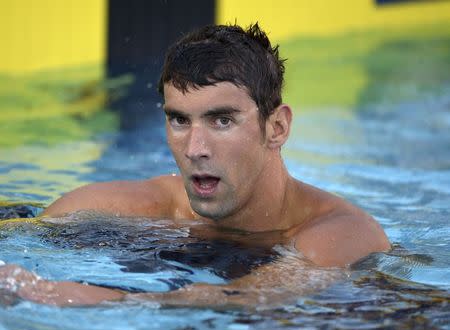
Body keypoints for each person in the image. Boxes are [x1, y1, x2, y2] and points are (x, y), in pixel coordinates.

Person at [0, 23, 390, 307]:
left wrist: (71, 296)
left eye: (222, 120)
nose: (195, 148)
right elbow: (23, 234)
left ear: (277, 127)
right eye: (179, 120)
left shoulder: (344, 232)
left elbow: (246, 299)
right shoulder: (130, 208)